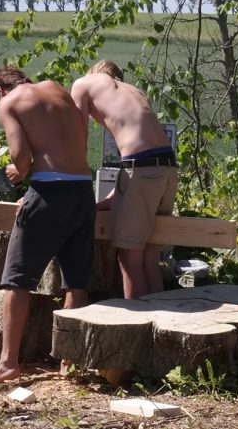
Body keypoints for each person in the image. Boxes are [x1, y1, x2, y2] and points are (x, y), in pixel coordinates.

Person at [0, 64, 94, 385]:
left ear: (0, 92)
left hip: (49, 194)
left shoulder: (9, 102)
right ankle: (71, 363)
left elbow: (20, 160)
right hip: (82, 191)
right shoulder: (57, 89)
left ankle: (7, 364)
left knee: (16, 281)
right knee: (76, 281)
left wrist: (19, 176)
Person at [69, 59, 178, 298]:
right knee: (149, 257)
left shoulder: (83, 84)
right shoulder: (134, 92)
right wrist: (114, 195)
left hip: (142, 171)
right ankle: (158, 325)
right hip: (168, 170)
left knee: (129, 258)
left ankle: (137, 326)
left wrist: (74, 193)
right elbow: (141, 147)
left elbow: (78, 142)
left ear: (92, 73)